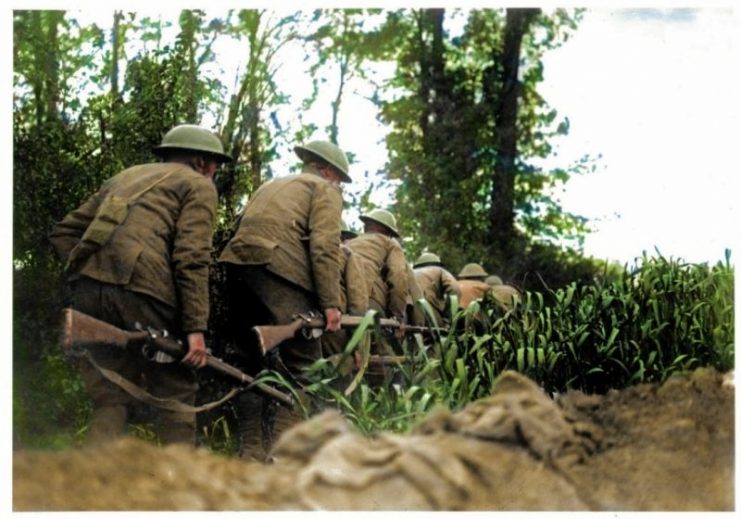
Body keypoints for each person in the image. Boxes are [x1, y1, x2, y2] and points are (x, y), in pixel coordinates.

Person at [49, 123, 231, 446]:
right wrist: (195, 331)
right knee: (177, 390)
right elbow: (191, 258)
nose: (215, 171)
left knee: (110, 396)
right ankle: (180, 486)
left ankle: (84, 485)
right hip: (147, 292)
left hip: (90, 294)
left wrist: (85, 272)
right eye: (215, 164)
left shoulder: (124, 178)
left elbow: (64, 231)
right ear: (202, 162)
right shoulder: (199, 186)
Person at [218, 139, 351, 460]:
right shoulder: (324, 190)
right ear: (329, 171)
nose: (339, 186)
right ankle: (283, 458)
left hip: (236, 269)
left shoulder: (273, 184)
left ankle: (250, 452)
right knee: (304, 366)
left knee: (247, 364)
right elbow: (324, 247)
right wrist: (331, 304)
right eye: (340, 180)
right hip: (280, 274)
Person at [412, 252, 461, 326]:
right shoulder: (439, 270)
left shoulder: (411, 272)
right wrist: (448, 316)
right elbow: (455, 288)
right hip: (429, 311)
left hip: (407, 314)